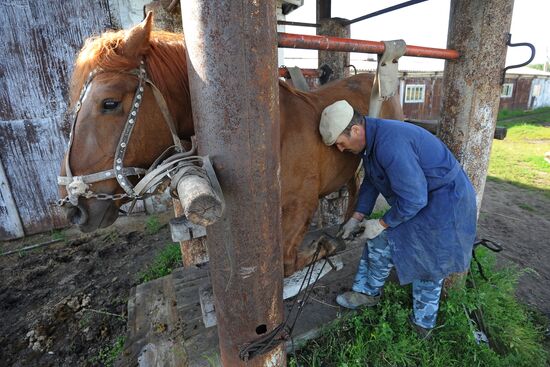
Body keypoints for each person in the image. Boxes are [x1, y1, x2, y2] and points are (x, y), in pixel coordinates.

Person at [319, 100, 477, 337]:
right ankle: (366, 293)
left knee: (429, 261)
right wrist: (357, 216)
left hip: (445, 202)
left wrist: (381, 223)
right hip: (421, 197)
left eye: (341, 144)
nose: (341, 150)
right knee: (379, 241)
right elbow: (372, 180)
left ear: (354, 130)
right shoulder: (371, 142)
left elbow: (414, 199)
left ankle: (422, 324)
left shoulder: (390, 144)